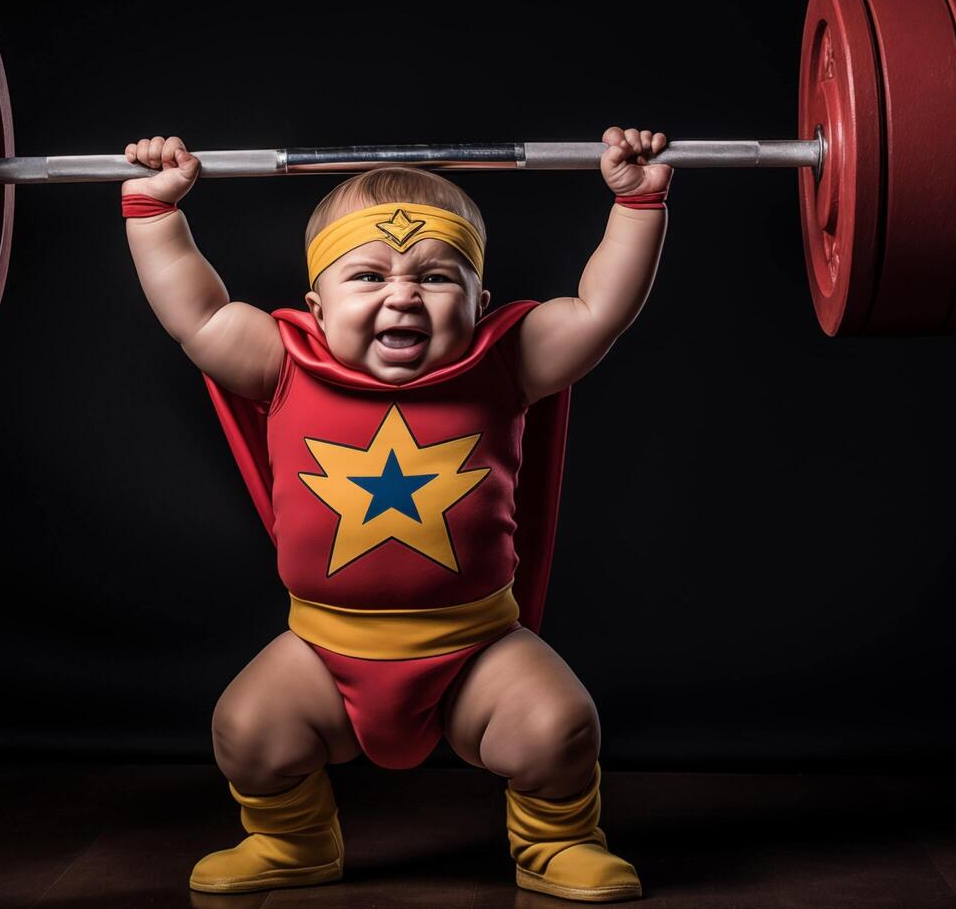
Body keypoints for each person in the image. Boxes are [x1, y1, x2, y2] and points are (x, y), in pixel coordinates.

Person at [120, 126, 670, 902]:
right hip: (323, 645)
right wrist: (153, 209)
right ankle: (291, 841)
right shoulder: (281, 361)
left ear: (479, 302)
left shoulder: (505, 363)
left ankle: (557, 842)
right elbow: (195, 313)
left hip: (475, 645)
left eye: (437, 278)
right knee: (246, 729)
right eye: (367, 276)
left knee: (558, 726)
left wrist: (636, 198)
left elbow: (599, 309)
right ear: (316, 303)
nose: (402, 295)